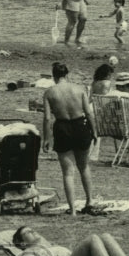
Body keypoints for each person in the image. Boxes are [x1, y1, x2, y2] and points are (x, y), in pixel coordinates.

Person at [42, 61, 101, 216]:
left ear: (54, 76)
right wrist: (94, 131)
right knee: (84, 166)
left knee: (68, 172)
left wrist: (46, 138)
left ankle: (73, 210)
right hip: (80, 125)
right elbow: (88, 113)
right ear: (67, 75)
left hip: (62, 127)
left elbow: (47, 119)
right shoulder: (79, 89)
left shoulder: (49, 93)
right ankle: (89, 201)